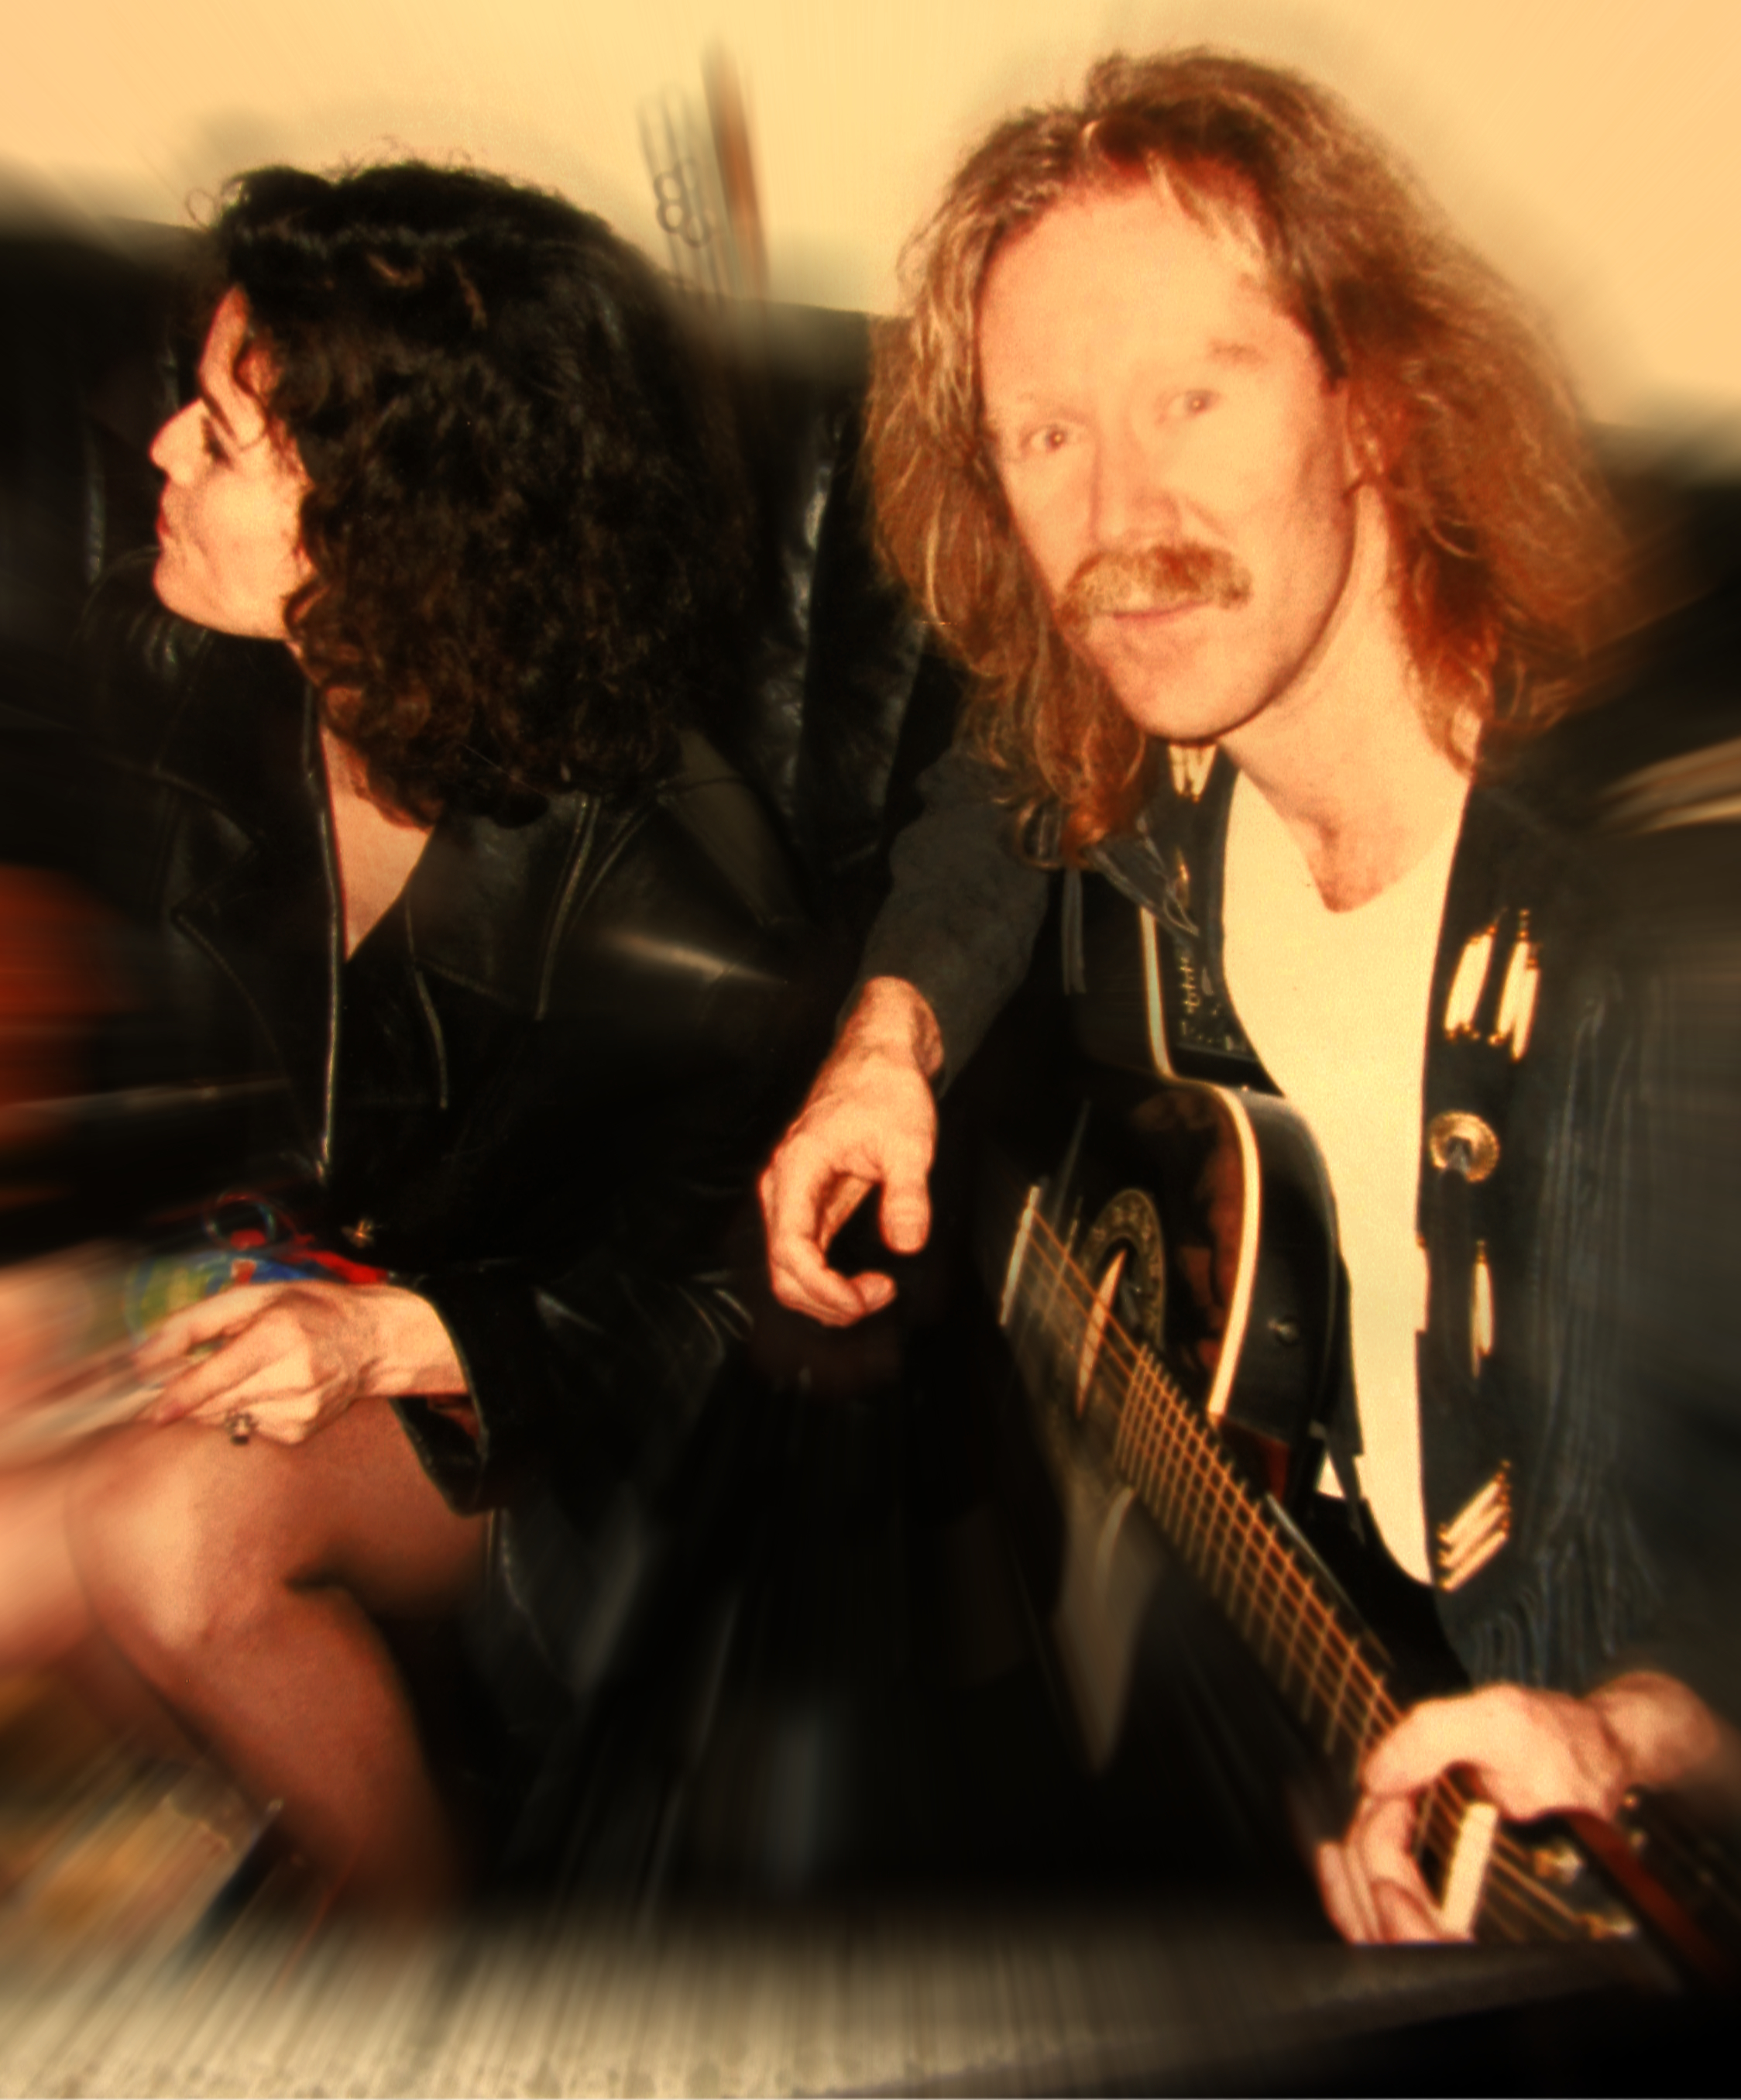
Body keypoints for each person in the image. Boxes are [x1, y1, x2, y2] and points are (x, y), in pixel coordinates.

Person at [759, 50, 1741, 1942]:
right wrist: (886, 1046)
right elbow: (994, 788)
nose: (1116, 513)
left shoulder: (1648, 920)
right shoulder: (1155, 769)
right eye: (1044, 435)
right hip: (1303, 1707)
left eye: (1190, 398)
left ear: (1374, 405)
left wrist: (1632, 1732)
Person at [0, 163, 821, 1916]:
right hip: (258, 1275)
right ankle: (243, 1834)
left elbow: (713, 1323)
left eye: (226, 438)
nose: (160, 451)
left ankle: (424, 1964)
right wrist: (66, 1269)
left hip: (527, 1421)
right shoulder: (200, 670)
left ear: (391, 527)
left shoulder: (677, 897)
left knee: (167, 1535)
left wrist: (395, 1342)